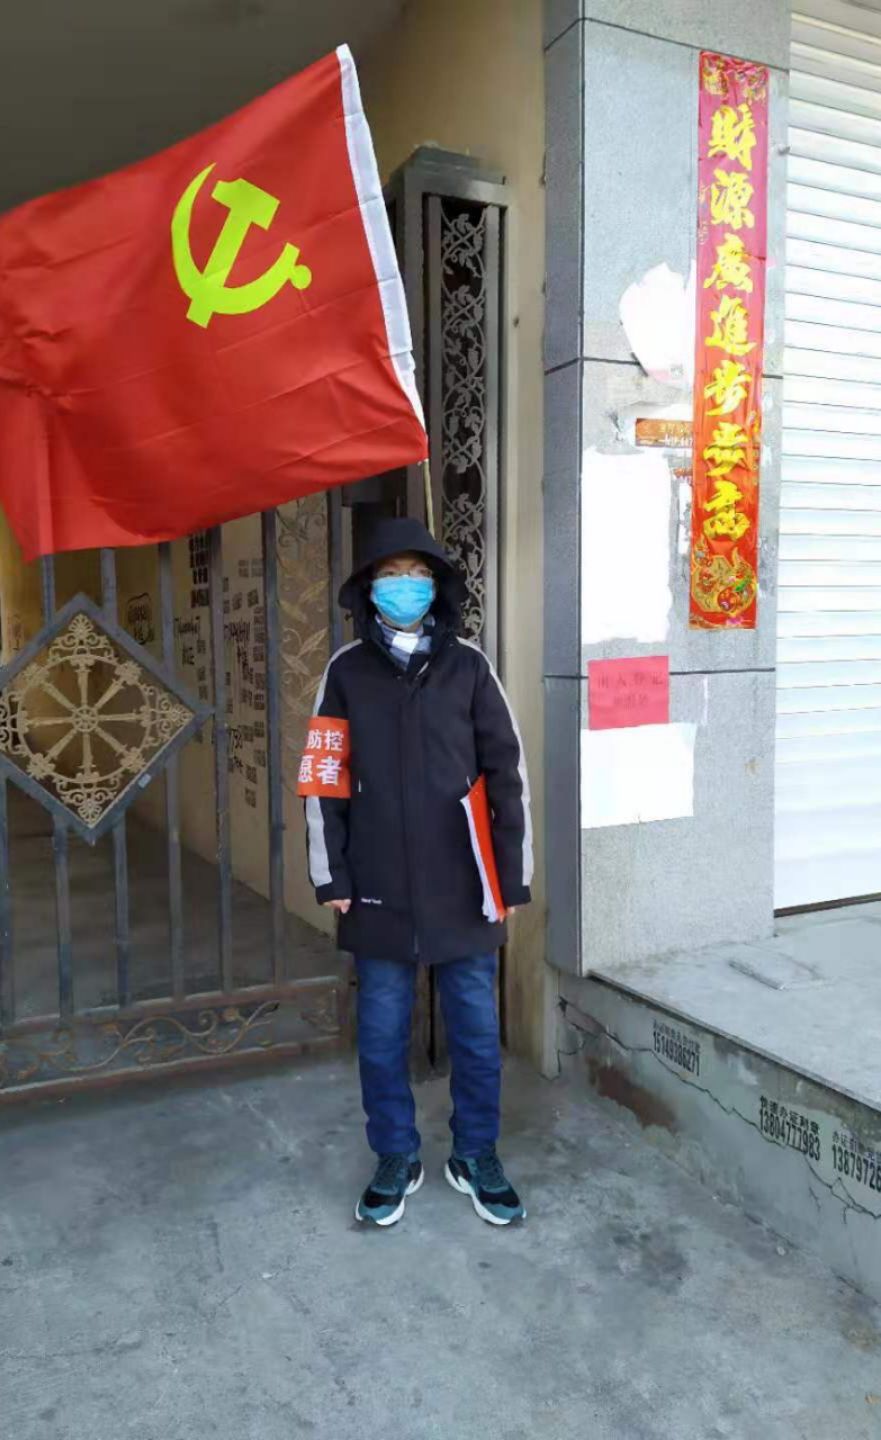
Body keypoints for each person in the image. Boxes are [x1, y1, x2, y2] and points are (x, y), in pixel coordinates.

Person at [302, 516, 533, 1227]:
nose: (405, 587)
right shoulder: (345, 673)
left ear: (437, 588)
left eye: (418, 575)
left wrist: (511, 878)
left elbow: (507, 773)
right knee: (380, 1034)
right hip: (376, 886)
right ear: (368, 589)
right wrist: (332, 876)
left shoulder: (469, 668)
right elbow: (323, 779)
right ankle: (395, 1156)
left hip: (466, 883)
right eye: (391, 576)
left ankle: (475, 1153)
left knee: (474, 1030)